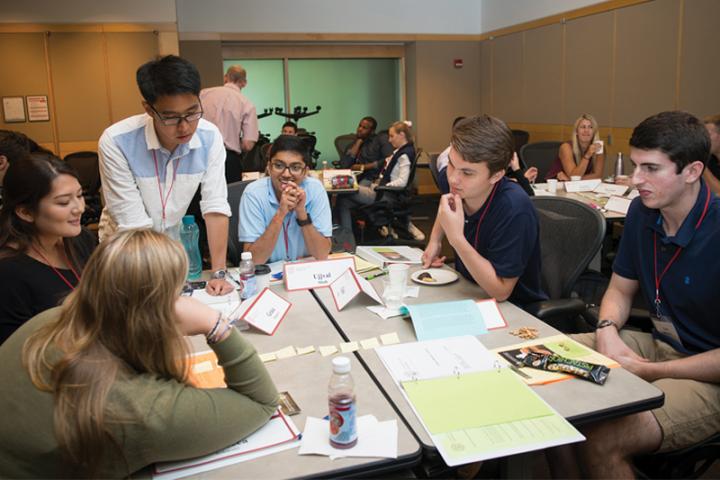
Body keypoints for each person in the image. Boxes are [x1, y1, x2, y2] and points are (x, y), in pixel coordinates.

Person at [0, 229, 278, 477]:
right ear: (159, 311)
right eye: (178, 293)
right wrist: (216, 325)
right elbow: (262, 402)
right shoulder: (142, 411)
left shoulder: (51, 320)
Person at [553, 111, 720, 478]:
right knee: (543, 366)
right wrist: (608, 329)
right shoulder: (643, 212)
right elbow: (619, 288)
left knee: (603, 438)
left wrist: (653, 371)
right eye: (635, 165)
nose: (635, 179)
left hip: (707, 377)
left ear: (691, 172)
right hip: (653, 346)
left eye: (651, 168)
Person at [98, 55, 233, 295]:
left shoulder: (209, 137)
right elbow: (135, 226)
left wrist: (219, 272)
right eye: (171, 117)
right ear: (149, 109)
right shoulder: (117, 142)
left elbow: (215, 207)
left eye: (192, 112)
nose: (185, 127)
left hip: (171, 250)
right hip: (127, 251)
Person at [422, 115, 547, 307]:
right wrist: (435, 241)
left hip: (515, 309)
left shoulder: (515, 209)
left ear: (496, 175)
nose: (453, 179)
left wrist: (456, 239)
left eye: (467, 172)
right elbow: (446, 204)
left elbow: (501, 291)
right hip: (470, 290)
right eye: (451, 165)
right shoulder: (458, 184)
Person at [0, 153, 96, 345]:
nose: (79, 208)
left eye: (79, 196)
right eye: (63, 202)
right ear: (25, 212)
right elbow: (16, 349)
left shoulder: (81, 239)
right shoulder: (8, 271)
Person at [239, 134, 332, 264]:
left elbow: (322, 254)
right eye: (279, 165)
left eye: (295, 168)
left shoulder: (315, 189)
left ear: (305, 172)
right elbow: (253, 261)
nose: (286, 174)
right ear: (269, 167)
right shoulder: (253, 194)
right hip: (269, 275)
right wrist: (280, 214)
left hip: (305, 271)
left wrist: (302, 214)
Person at [335, 121, 423, 239]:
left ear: (402, 135)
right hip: (383, 192)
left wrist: (381, 186)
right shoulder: (401, 151)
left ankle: (346, 239)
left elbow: (402, 181)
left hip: (385, 195)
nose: (390, 140)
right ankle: (347, 239)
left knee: (345, 190)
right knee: (343, 201)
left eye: (392, 136)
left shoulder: (404, 155)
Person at [200, 64, 260, 183]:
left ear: (225, 77)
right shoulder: (246, 104)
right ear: (244, 83)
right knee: (229, 198)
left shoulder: (203, 94)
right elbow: (248, 144)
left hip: (200, 156)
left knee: (199, 199)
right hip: (228, 160)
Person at [546, 113, 605, 180]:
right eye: (583, 127)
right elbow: (574, 176)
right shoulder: (566, 147)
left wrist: (570, 180)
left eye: (590, 127)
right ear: (576, 131)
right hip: (556, 185)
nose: (586, 130)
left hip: (579, 186)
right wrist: (587, 155)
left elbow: (597, 176)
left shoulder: (598, 147)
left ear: (594, 131)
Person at [339, 116, 394, 184]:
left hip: (371, 178)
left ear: (372, 131)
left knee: (354, 191)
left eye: (364, 128)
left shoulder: (379, 140)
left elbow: (389, 158)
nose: (360, 129)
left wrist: (365, 167)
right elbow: (344, 166)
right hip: (353, 179)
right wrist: (358, 143)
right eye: (359, 126)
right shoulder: (353, 144)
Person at [702, 114, 720, 195]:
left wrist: (702, 164)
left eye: (708, 135)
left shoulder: (704, 161)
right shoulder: (710, 160)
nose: (704, 139)